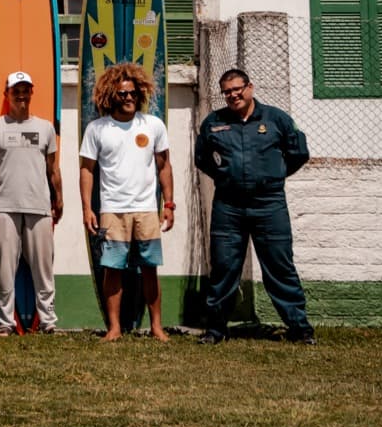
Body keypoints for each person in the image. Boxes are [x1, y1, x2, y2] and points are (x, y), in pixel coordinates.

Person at [194, 69, 314, 345]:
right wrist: (227, 177)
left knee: (279, 267)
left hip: (269, 205)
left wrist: (272, 176)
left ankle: (300, 329)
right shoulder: (214, 122)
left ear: (250, 87)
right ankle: (216, 330)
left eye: (237, 89)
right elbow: (203, 159)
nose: (233, 95)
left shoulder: (276, 119)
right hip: (228, 206)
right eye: (227, 91)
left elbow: (298, 153)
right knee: (224, 268)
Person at [79, 62, 175, 342]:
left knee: (150, 268)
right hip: (112, 210)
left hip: (147, 209)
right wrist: (87, 208)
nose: (129, 97)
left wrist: (169, 204)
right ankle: (114, 328)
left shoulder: (153, 125)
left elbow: (164, 166)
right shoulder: (97, 129)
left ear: (140, 93)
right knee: (112, 269)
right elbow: (87, 170)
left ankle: (157, 327)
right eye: (122, 94)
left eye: (133, 92)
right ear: (111, 95)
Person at [0, 70, 64, 336]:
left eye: (25, 89)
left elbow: (53, 169)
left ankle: (48, 322)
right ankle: (5, 323)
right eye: (15, 90)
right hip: (5, 206)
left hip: (39, 206)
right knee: (5, 270)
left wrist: (58, 198)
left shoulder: (45, 128)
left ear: (31, 92)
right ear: (6, 94)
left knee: (44, 268)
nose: (21, 94)